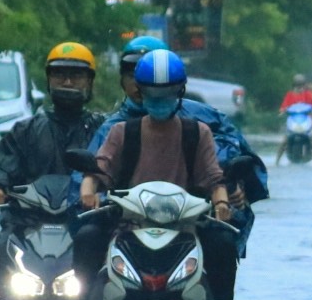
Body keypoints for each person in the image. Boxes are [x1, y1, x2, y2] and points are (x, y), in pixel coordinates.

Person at [71, 50, 244, 300]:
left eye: (167, 93)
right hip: (128, 227)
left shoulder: (198, 133)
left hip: (185, 229)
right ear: (140, 91)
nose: (159, 99)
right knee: (86, 237)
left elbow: (213, 177)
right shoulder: (122, 132)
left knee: (222, 242)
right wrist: (88, 190)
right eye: (152, 93)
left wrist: (220, 201)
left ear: (180, 91)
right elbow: (97, 170)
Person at [89, 39, 267, 254]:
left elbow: (234, 167)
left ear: (179, 85)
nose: (156, 84)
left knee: (223, 245)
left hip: (193, 223)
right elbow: (91, 175)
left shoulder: (204, 124)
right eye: (137, 75)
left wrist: (233, 188)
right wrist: (92, 198)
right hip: (129, 226)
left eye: (165, 86)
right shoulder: (114, 130)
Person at [0, 42, 102, 300]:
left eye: (76, 75)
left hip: (86, 222)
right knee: (1, 251)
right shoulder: (26, 129)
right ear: (48, 80)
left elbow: (118, 169)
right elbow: (3, 164)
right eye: (60, 74)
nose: (68, 81)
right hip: (28, 222)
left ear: (89, 82)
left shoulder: (104, 129)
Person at [278, 72, 312, 163]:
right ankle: (277, 161)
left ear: (304, 85)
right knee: (284, 141)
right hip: (293, 121)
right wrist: (282, 110)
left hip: (306, 120)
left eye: (301, 84)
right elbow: (284, 105)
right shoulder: (289, 95)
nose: (299, 87)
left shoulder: (308, 94)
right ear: (294, 85)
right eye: (297, 85)